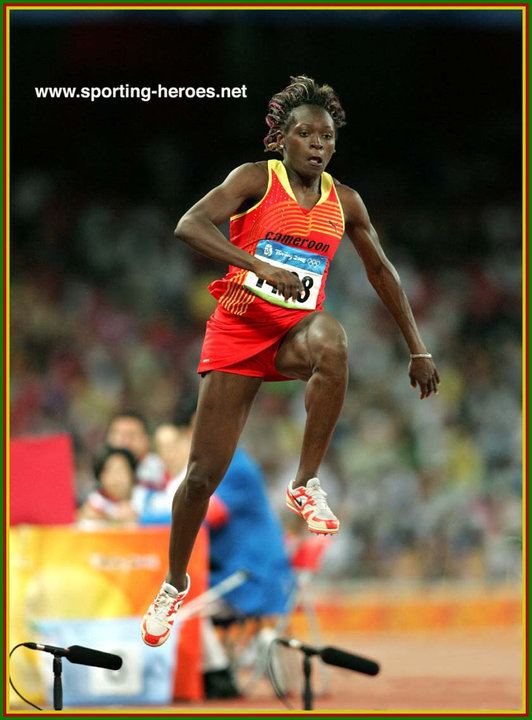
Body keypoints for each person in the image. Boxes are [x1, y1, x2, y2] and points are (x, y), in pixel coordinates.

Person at [142, 75, 440, 648]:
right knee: (202, 476)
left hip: (293, 333)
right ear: (281, 138)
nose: (317, 144)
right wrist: (254, 264)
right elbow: (189, 225)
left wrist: (417, 347)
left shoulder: (344, 200)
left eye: (326, 136)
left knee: (334, 339)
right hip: (237, 330)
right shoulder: (255, 179)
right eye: (304, 133)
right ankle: (174, 583)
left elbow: (381, 271)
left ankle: (305, 483)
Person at [77, 446, 139, 523]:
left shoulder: (147, 498)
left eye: (120, 470)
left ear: (132, 474)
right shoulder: (94, 504)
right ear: (100, 477)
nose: (116, 478)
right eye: (110, 471)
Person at [106, 410, 165, 490]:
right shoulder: (101, 470)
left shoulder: (162, 471)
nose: (125, 441)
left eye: (131, 435)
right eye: (119, 435)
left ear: (146, 439)